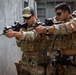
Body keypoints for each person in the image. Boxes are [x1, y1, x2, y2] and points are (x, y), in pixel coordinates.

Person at [5, 6, 53, 75]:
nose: (26, 20)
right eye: (24, 18)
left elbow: (33, 35)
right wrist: (16, 36)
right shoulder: (24, 28)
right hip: (25, 62)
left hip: (38, 64)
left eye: (28, 18)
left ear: (34, 16)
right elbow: (19, 45)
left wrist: (16, 33)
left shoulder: (40, 27)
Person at [35, 3, 76, 75]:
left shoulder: (74, 22)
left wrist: (47, 29)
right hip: (60, 59)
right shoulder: (58, 24)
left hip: (72, 61)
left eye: (59, 14)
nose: (57, 16)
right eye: (56, 14)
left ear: (66, 12)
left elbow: (66, 27)